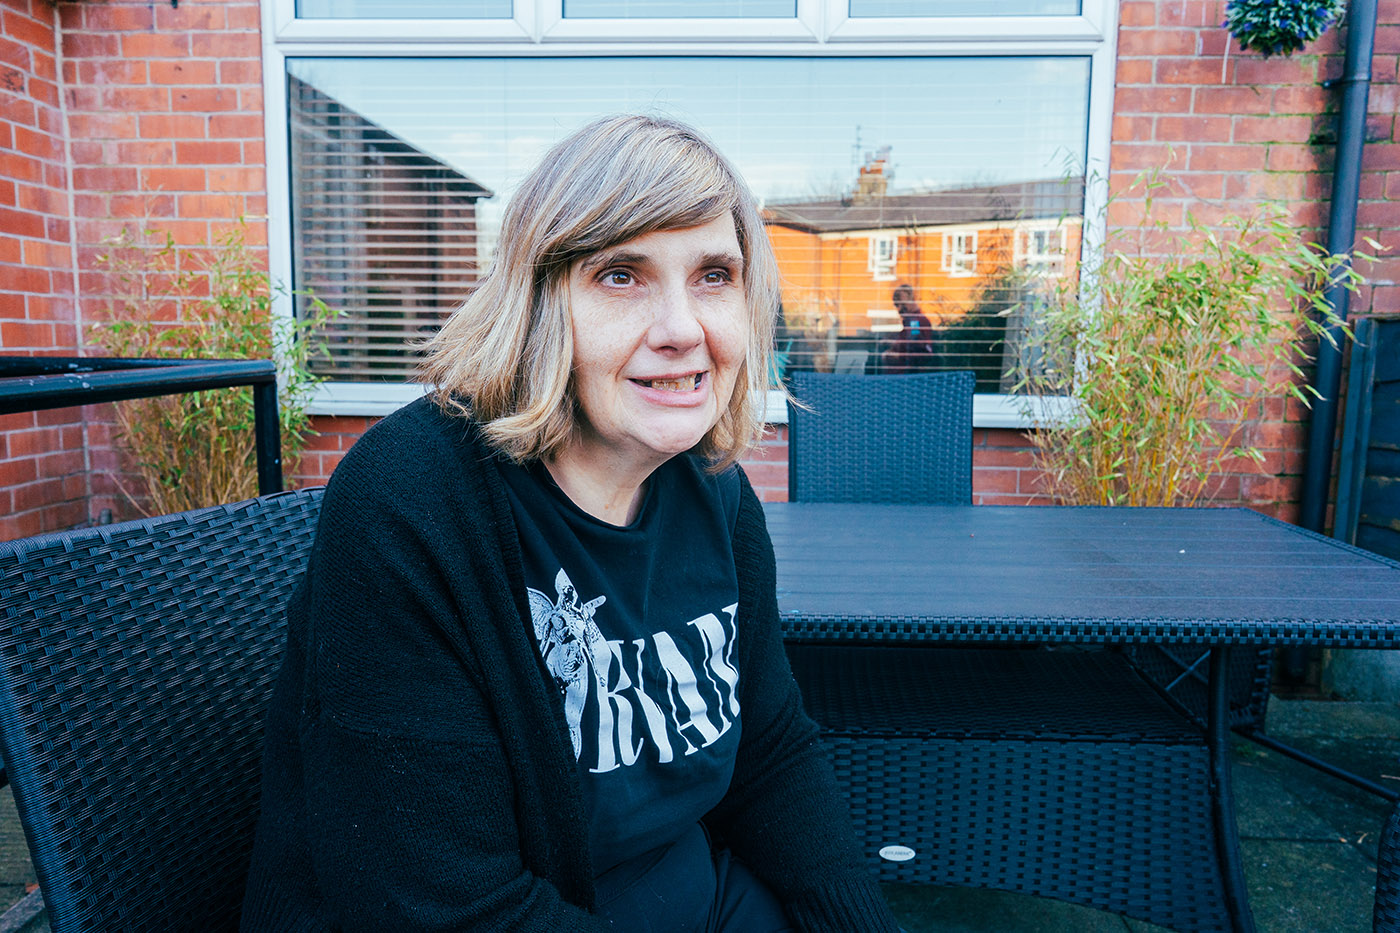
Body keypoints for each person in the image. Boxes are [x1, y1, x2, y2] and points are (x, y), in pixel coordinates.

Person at [240, 114, 902, 933]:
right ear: (538, 301)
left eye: (714, 275)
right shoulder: (412, 502)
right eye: (621, 276)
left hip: (688, 894)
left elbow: (769, 749)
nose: (681, 330)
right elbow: (444, 905)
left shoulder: (712, 493)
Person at [879, 283, 938, 374]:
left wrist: (897, 354)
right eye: (896, 305)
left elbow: (914, 346)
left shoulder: (915, 322)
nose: (899, 309)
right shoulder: (911, 322)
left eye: (902, 304)